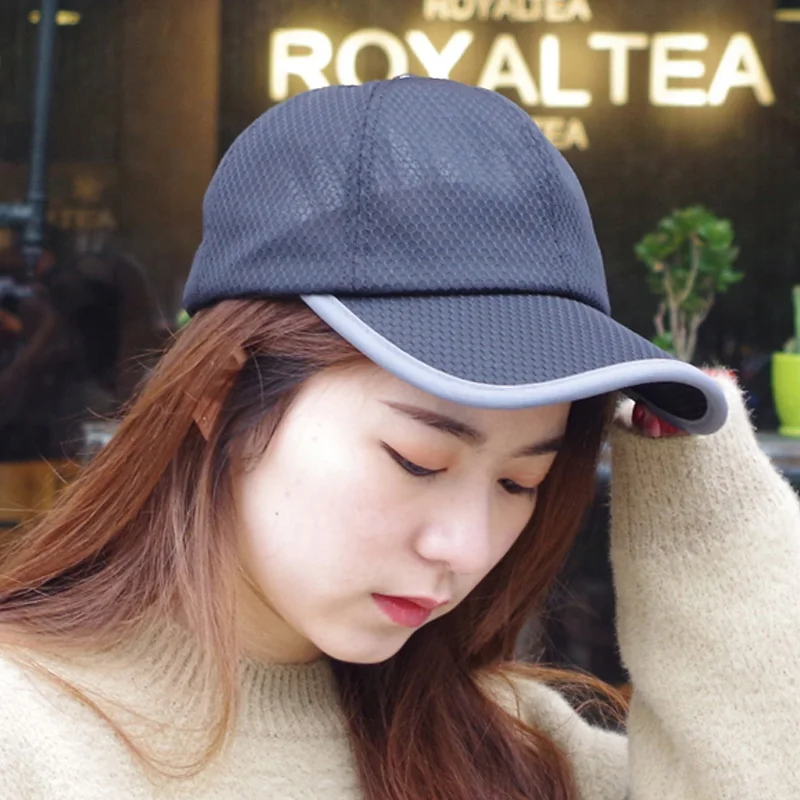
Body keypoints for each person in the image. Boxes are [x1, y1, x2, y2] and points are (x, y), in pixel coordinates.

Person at [0, 77, 797, 799]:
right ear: (220, 393)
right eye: (418, 462)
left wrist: (708, 507)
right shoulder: (27, 734)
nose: (468, 547)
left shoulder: (519, 749)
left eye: (520, 483)